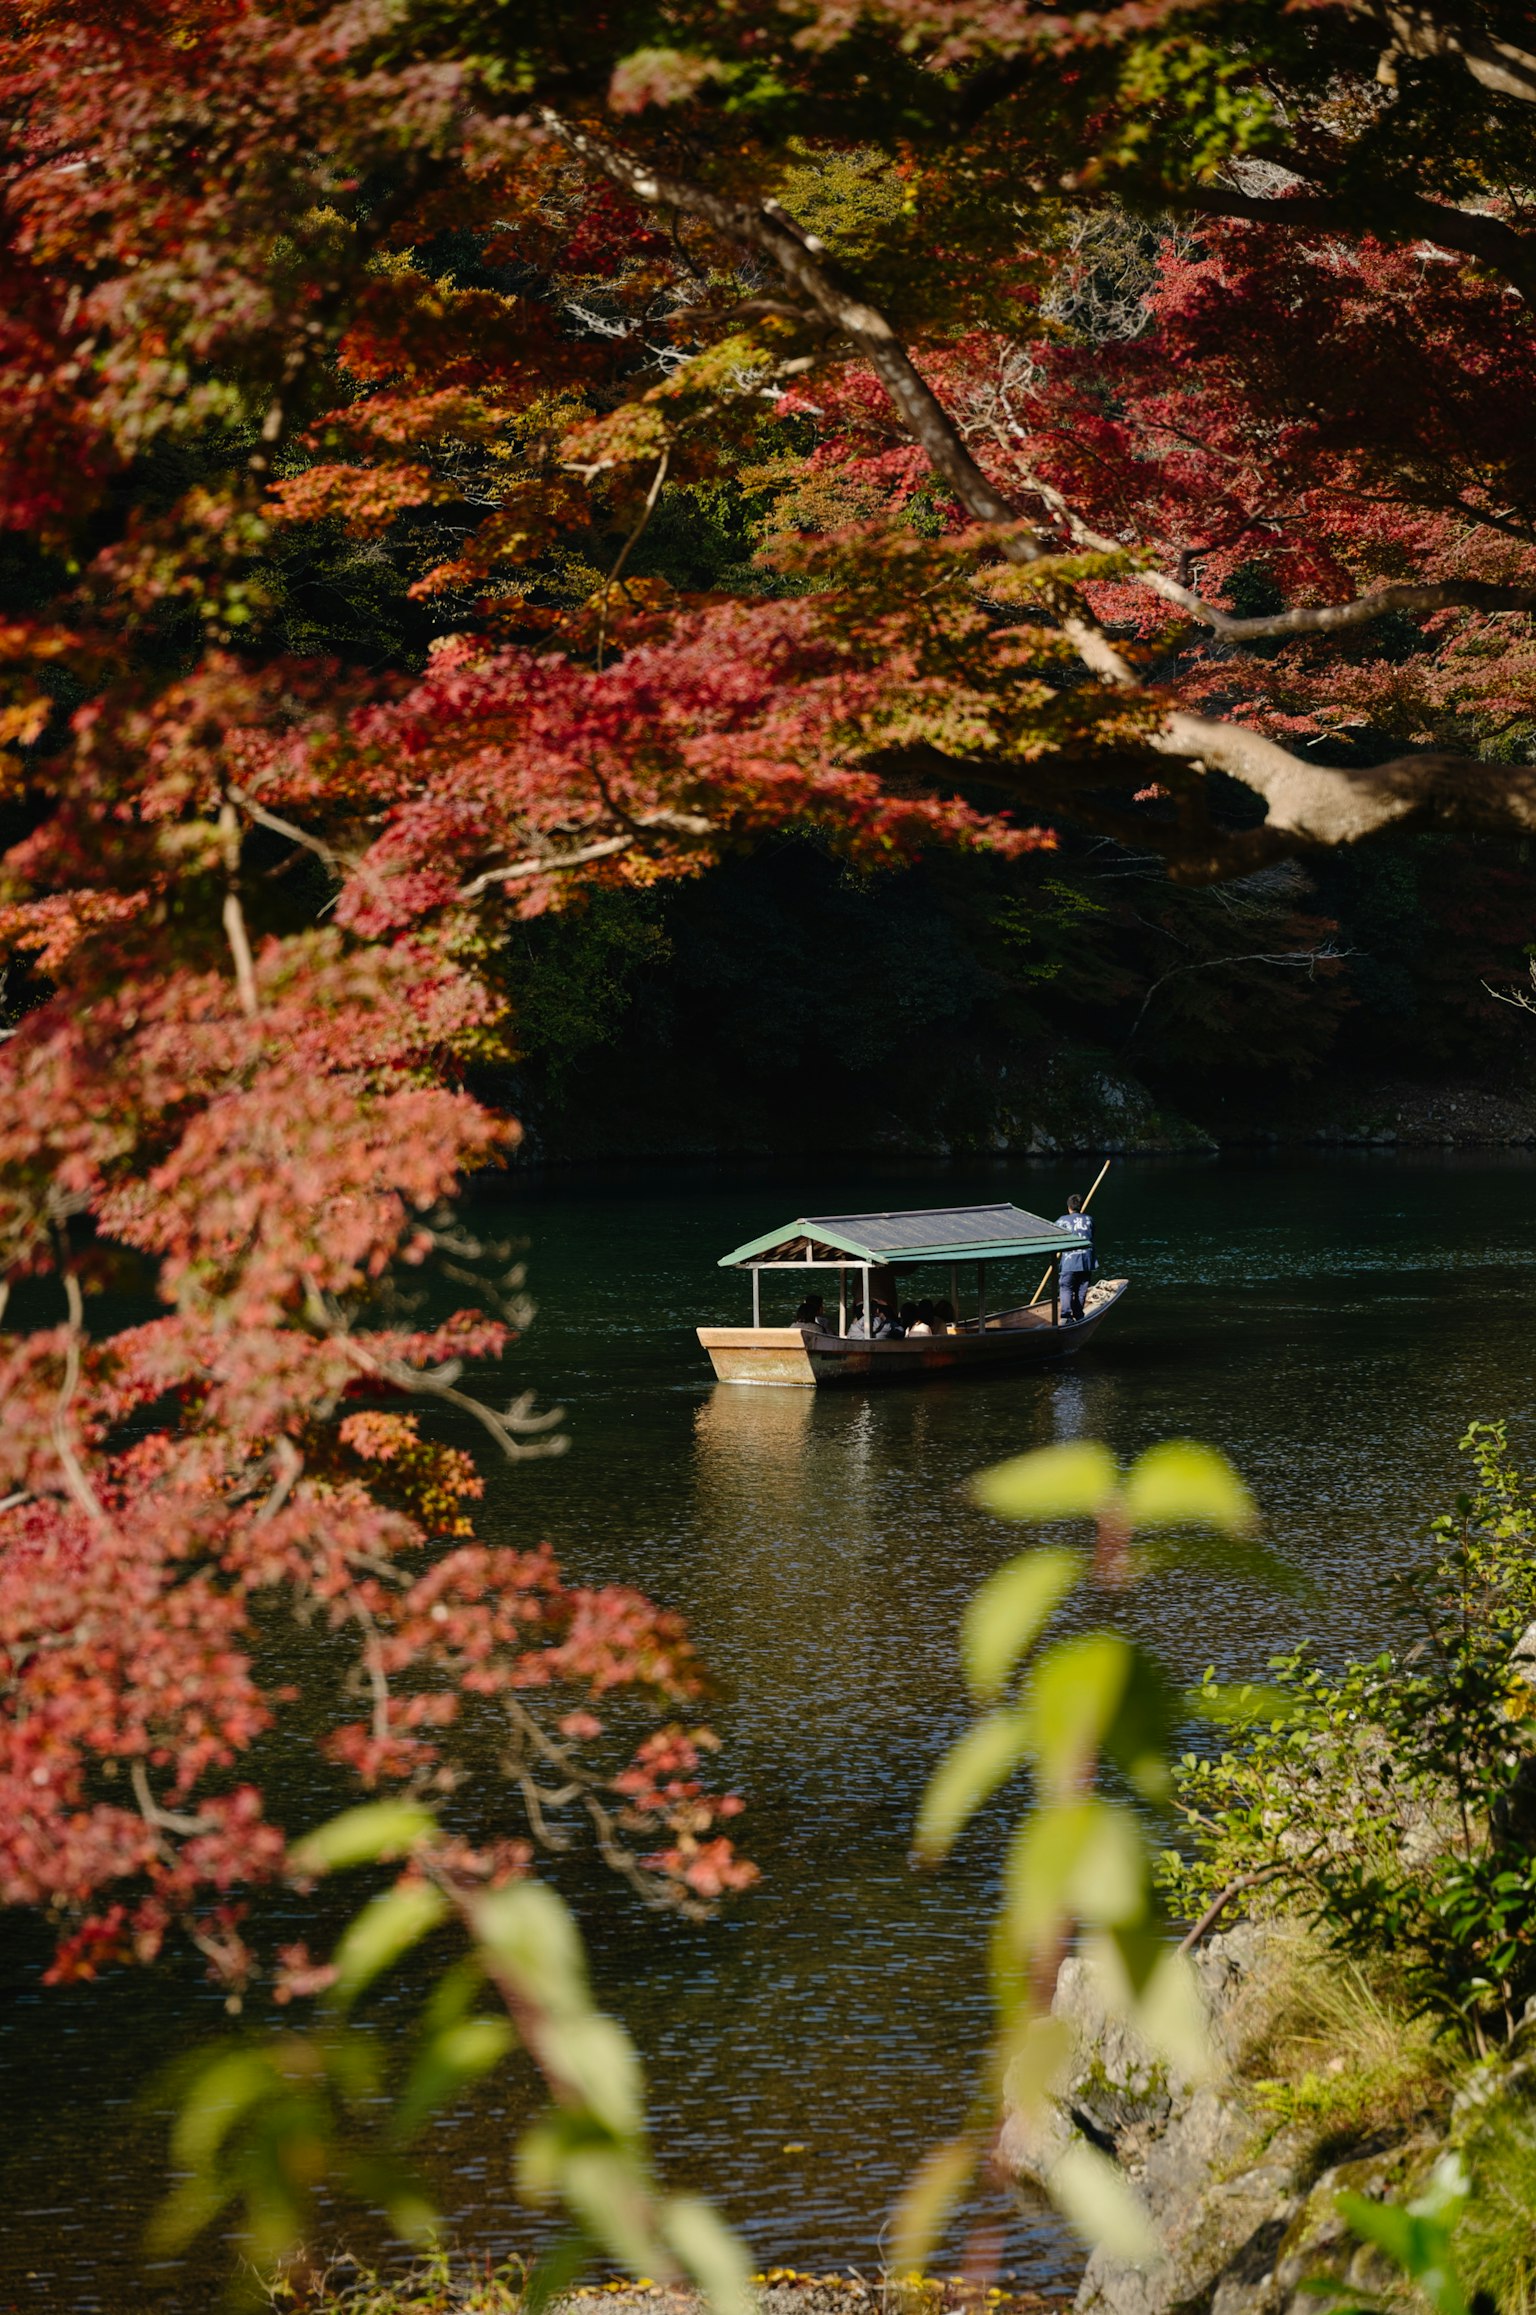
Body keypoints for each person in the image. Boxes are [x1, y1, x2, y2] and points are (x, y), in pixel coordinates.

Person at [1056, 1192, 1095, 1323]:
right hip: (1086, 1261)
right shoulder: (1089, 1219)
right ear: (1081, 1206)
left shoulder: (1062, 1220)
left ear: (1069, 1207)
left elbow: (1055, 1236)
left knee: (1066, 1287)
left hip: (1070, 1261)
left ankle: (1066, 1316)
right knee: (1081, 1288)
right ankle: (1078, 1315)